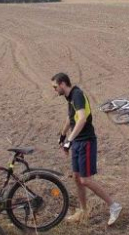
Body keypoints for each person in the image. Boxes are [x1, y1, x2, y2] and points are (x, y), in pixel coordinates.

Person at [52, 72, 122, 226]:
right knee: (77, 178)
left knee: (85, 180)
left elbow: (82, 119)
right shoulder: (69, 97)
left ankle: (114, 206)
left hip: (86, 142)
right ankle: (83, 211)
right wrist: (63, 135)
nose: (54, 90)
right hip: (77, 141)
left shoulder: (77, 95)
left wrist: (68, 141)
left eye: (55, 87)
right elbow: (71, 118)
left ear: (63, 84)